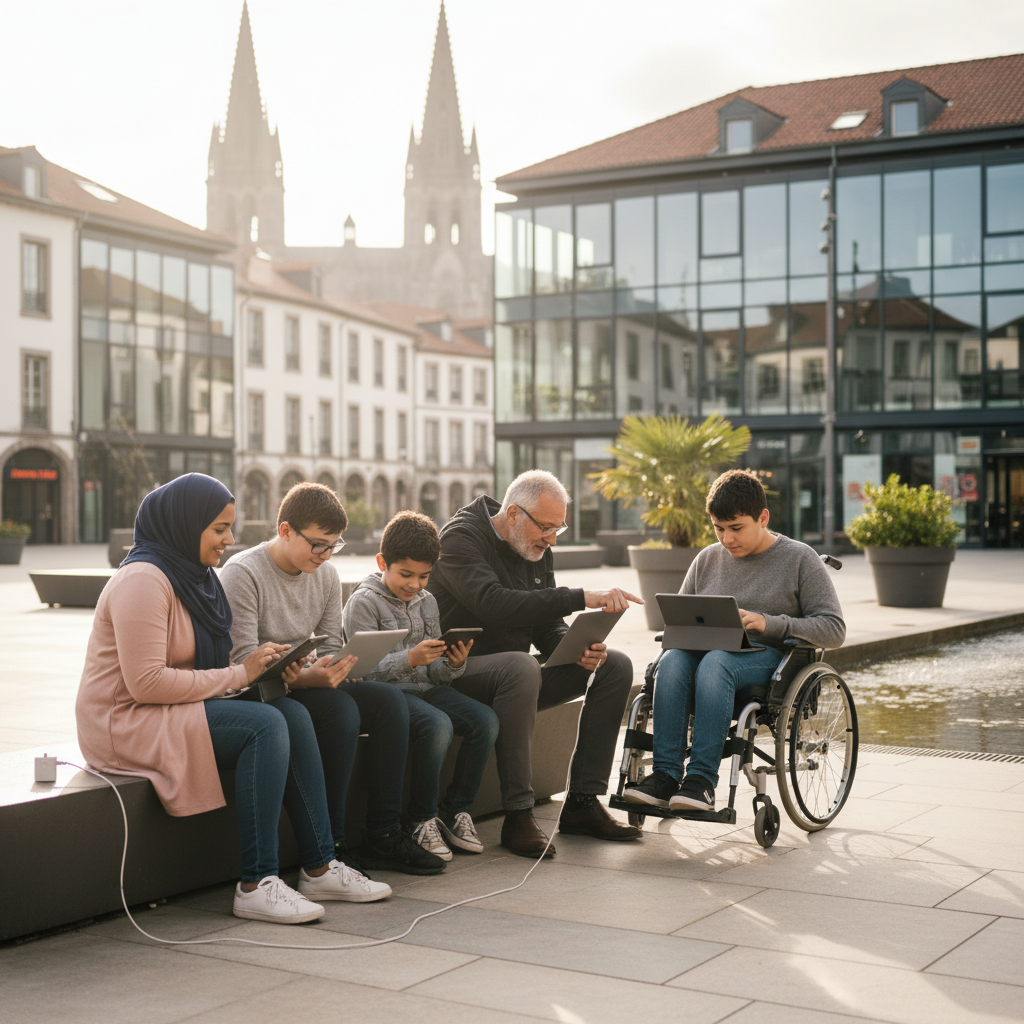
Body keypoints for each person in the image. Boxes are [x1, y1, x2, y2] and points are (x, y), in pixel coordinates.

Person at [75, 473, 391, 924]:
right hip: (127, 721)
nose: (230, 539)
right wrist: (239, 674)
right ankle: (255, 883)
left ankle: (320, 865)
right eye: (219, 529)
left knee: (289, 712)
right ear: (185, 525)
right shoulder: (143, 580)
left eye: (230, 527)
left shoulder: (192, 577)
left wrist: (258, 671)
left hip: (172, 707)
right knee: (265, 725)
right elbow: (145, 684)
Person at [221, 482, 446, 875]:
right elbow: (242, 666)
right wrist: (304, 678)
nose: (325, 555)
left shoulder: (325, 575)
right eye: (319, 544)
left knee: (389, 703)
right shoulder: (243, 573)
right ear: (286, 530)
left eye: (333, 546)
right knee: (341, 712)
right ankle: (335, 844)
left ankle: (383, 833)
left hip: (308, 680)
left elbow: (326, 644)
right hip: (262, 692)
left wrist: (337, 666)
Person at [428, 470, 644, 858]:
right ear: (513, 514)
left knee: (614, 665)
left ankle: (582, 802)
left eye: (558, 528)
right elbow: (493, 604)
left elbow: (546, 626)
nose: (552, 538)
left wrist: (574, 647)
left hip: (515, 681)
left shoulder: (535, 545)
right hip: (454, 674)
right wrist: (581, 596)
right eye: (546, 527)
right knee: (521, 666)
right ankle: (518, 814)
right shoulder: (459, 538)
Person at [623, 469, 846, 812]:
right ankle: (665, 777)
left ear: (763, 518)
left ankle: (701, 783)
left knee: (716, 662)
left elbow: (833, 628)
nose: (726, 539)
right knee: (672, 660)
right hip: (706, 658)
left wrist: (767, 623)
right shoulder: (707, 560)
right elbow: (679, 622)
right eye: (718, 528)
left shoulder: (799, 558)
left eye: (736, 528)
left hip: (770, 662)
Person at [342, 511, 499, 860]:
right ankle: (421, 819)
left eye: (425, 576)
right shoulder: (364, 602)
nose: (415, 584)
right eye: (406, 574)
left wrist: (452, 664)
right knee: (437, 724)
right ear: (383, 562)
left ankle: (454, 811)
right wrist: (409, 659)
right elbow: (360, 672)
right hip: (388, 697)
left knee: (485, 720)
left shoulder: (428, 601)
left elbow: (434, 672)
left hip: (426, 689)